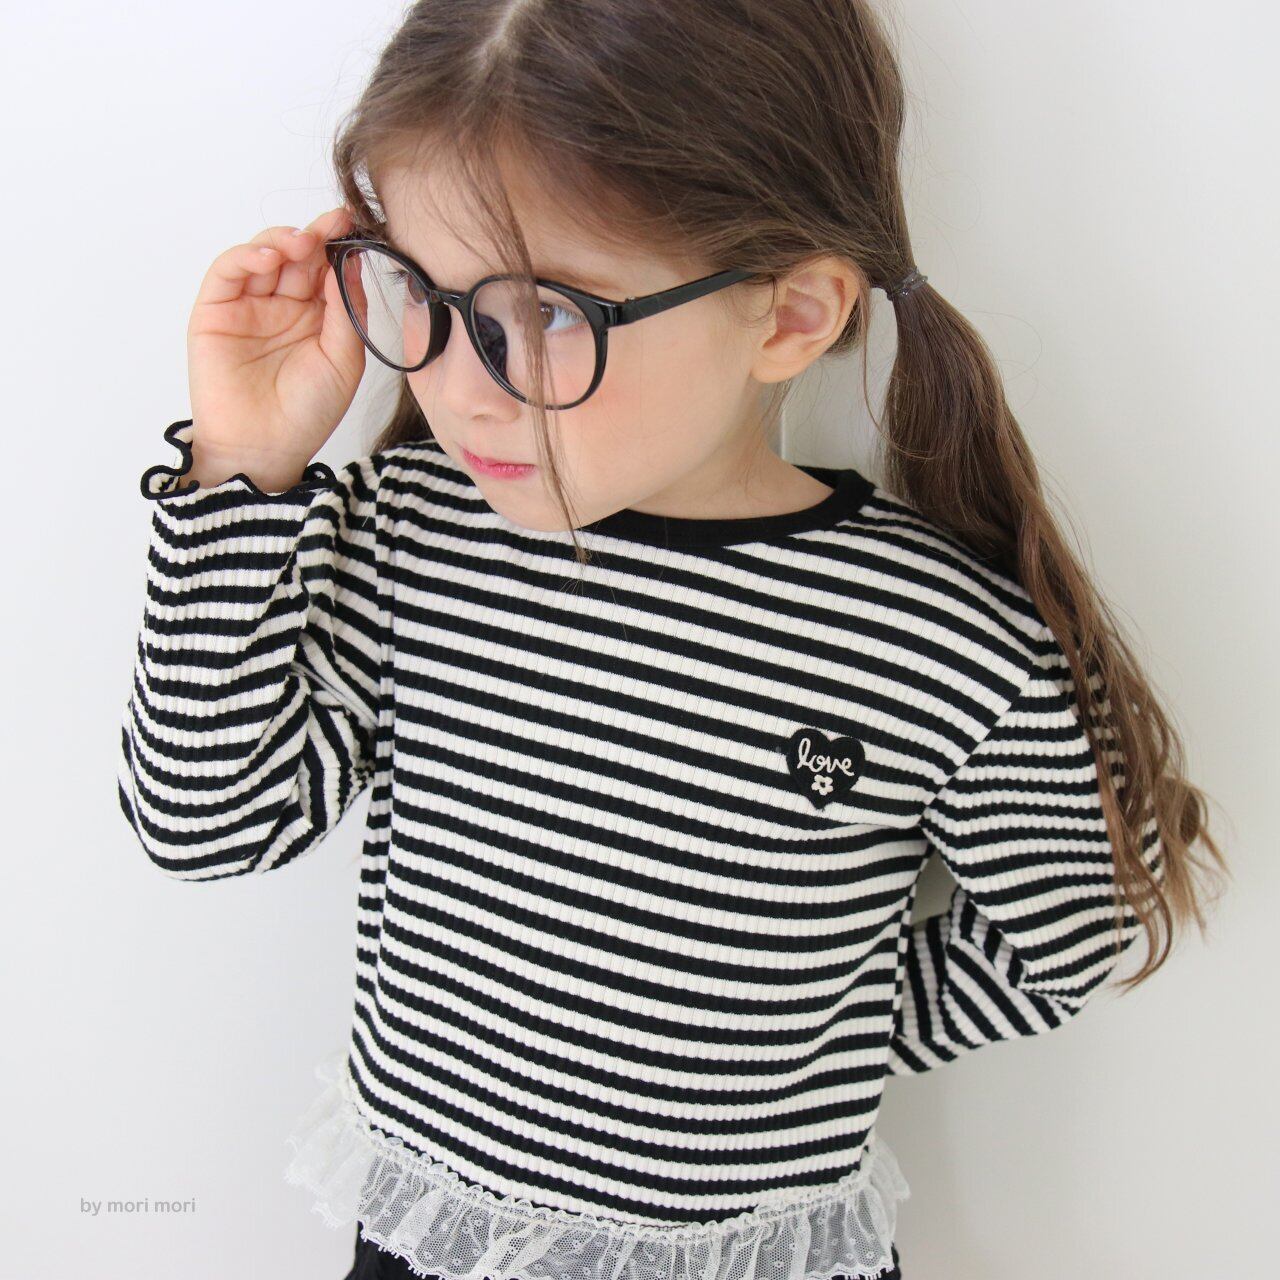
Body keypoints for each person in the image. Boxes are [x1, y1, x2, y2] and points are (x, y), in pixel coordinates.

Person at [116, 2, 1226, 1276]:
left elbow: (1085, 926)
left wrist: (813, 1031)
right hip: (441, 1244)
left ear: (789, 314)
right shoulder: (416, 532)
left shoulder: (938, 639)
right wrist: (240, 471)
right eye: (416, 290)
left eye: (544, 314)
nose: (458, 388)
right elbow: (205, 820)